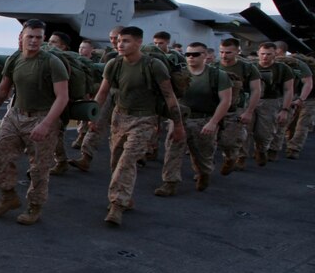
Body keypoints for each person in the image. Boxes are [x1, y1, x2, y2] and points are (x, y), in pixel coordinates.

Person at [90, 26, 184, 226]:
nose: (120, 44)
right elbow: (103, 92)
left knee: (127, 160)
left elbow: (169, 95)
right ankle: (125, 196)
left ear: (139, 42)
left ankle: (117, 204)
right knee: (116, 161)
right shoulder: (114, 64)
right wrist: (93, 116)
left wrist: (178, 125)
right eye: (118, 41)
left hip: (145, 120)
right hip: (119, 117)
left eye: (126, 41)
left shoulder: (154, 65)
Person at [0, 20, 69, 224]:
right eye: (30, 36)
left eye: (39, 37)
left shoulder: (51, 62)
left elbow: (62, 97)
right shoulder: (15, 59)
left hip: (42, 116)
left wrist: (46, 124)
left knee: (39, 167)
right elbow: (4, 88)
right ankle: (8, 196)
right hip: (15, 114)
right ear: (21, 36)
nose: (34, 41)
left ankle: (34, 206)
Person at [154, 42, 231, 196]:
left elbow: (225, 101)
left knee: (203, 154)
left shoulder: (218, 76)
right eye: (188, 54)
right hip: (179, 119)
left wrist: (213, 122)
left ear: (205, 56)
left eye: (195, 54)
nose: (191, 58)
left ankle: (204, 173)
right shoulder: (178, 74)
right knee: (173, 151)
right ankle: (170, 182)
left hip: (203, 120)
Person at [71, 26, 123, 171]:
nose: (114, 41)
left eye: (116, 37)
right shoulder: (110, 57)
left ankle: (128, 159)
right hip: (108, 92)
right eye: (111, 38)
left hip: (125, 96)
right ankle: (85, 157)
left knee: (121, 131)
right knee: (95, 124)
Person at [216, 38, 261, 173]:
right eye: (222, 52)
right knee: (207, 141)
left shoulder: (247, 68)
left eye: (228, 52)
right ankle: (203, 171)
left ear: (237, 51)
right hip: (214, 108)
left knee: (229, 141)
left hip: (236, 108)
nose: (224, 56)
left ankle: (232, 157)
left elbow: (256, 90)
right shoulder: (213, 66)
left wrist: (249, 111)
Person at [251, 42, 294, 165]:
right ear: (258, 53)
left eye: (268, 54)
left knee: (263, 133)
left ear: (275, 54)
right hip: (251, 100)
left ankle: (262, 149)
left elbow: (288, 90)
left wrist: (285, 109)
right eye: (262, 54)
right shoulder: (250, 66)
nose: (265, 57)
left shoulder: (283, 69)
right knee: (244, 130)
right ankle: (240, 158)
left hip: (271, 102)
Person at [275, 42, 313, 158]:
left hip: (306, 96)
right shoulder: (297, 66)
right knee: (301, 123)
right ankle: (293, 148)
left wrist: (301, 99)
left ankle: (291, 147)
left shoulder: (290, 65)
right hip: (304, 96)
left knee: (299, 123)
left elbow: (308, 84)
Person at [45, 31, 73, 174]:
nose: (50, 45)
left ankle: (61, 162)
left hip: (59, 105)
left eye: (54, 42)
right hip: (46, 103)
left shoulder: (62, 62)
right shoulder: (48, 59)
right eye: (49, 41)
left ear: (64, 47)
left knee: (56, 135)